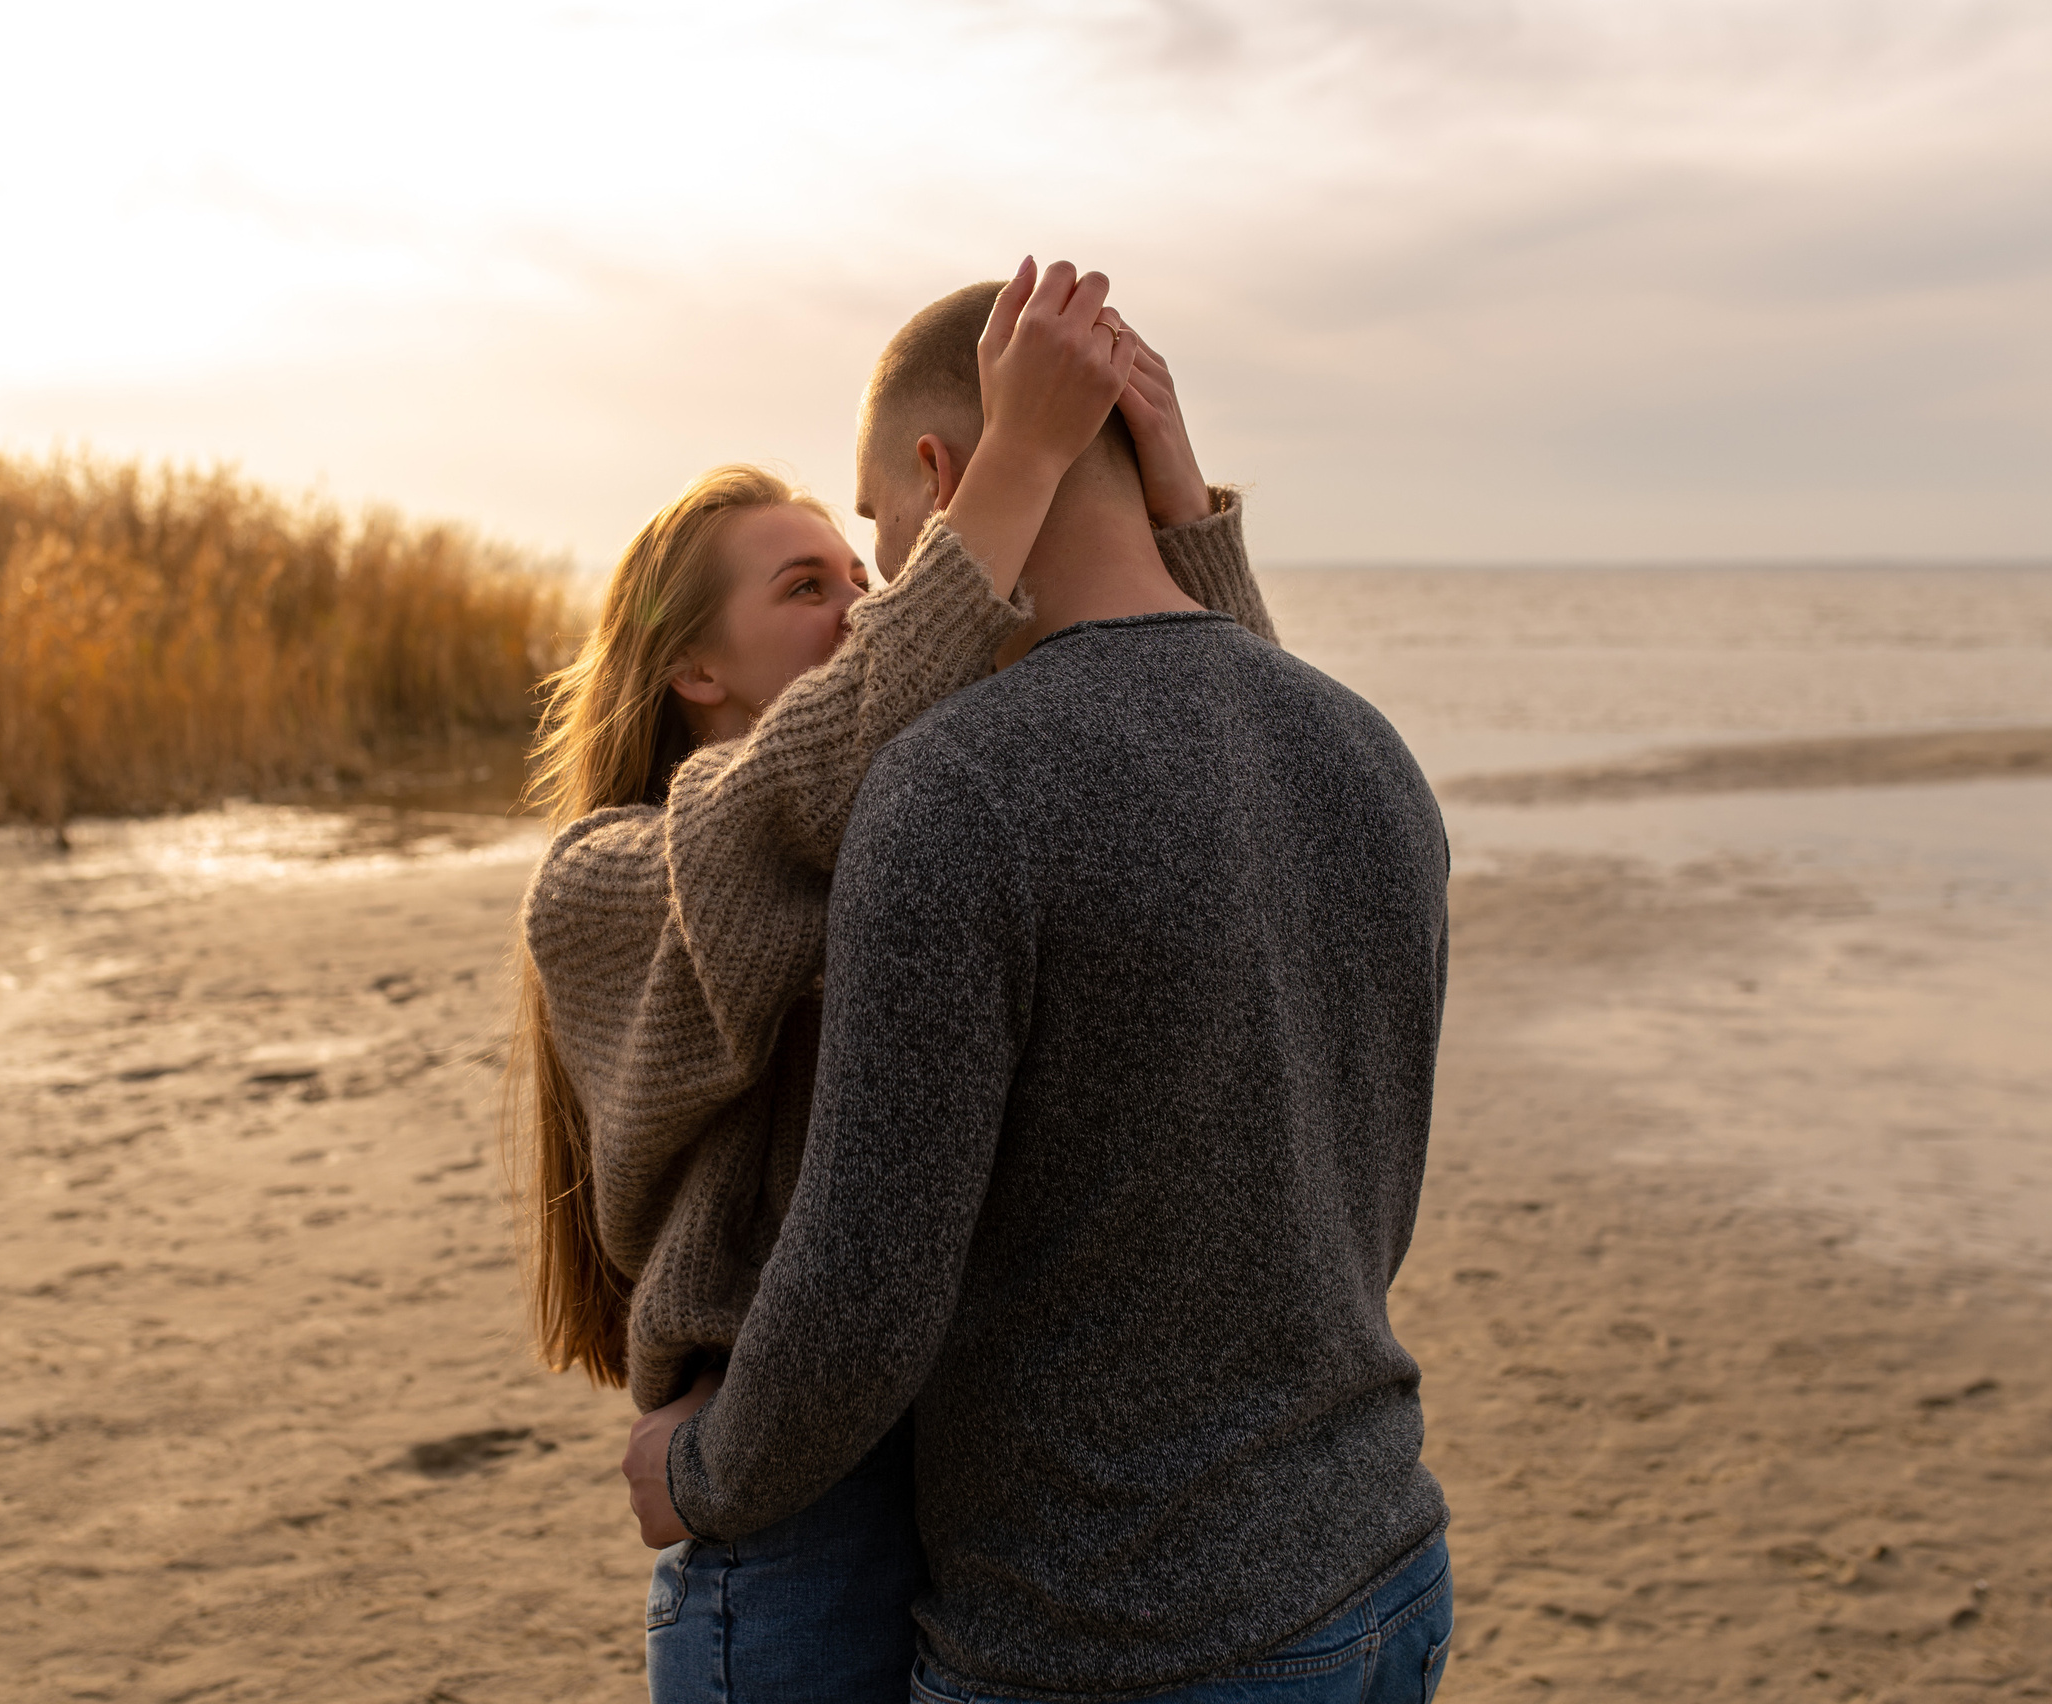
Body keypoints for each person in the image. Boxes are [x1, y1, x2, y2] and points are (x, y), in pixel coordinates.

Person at [620, 279, 1455, 1704]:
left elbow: (866, 1288)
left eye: (879, 529)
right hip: (1383, 1566)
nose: (887, 595)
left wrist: (700, 1471)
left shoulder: (957, 793)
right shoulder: (1362, 751)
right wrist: (1182, 510)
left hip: (1117, 1632)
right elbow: (1208, 755)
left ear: (940, 477)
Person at [514, 259, 1275, 1701]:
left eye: (867, 575)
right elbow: (786, 796)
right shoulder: (611, 879)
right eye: (811, 586)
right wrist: (1020, 460)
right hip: (789, 1506)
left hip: (971, 1468)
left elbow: (1228, 776)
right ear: (691, 671)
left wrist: (1177, 509)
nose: (868, 608)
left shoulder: (906, 811)